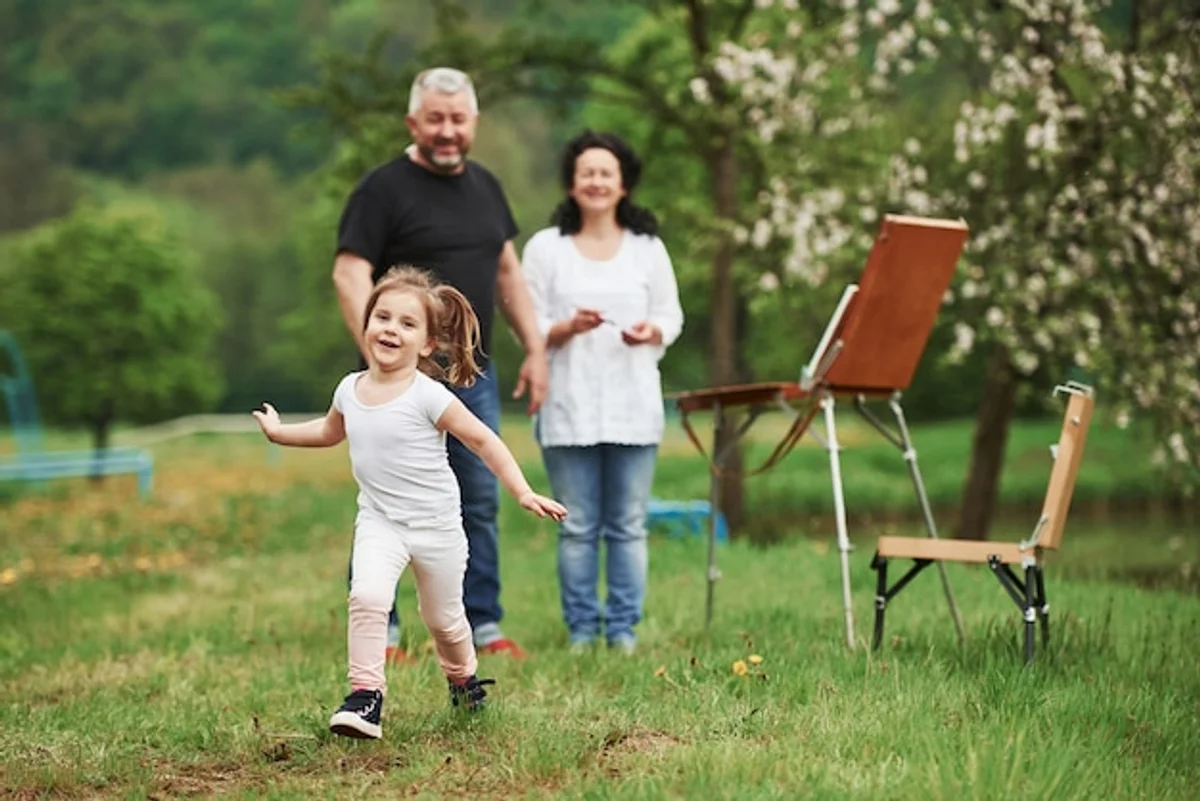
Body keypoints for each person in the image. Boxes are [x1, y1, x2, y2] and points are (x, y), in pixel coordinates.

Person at [253, 267, 566, 740]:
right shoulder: (348, 388)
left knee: (443, 620)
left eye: (406, 323)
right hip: (380, 521)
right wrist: (280, 433)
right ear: (365, 324)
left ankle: (463, 681)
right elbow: (328, 431)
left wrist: (522, 490)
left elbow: (484, 441)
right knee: (367, 596)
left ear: (427, 344)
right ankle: (365, 696)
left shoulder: (429, 396)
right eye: (382, 317)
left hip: (436, 528)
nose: (390, 329)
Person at [332, 67, 549, 661]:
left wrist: (536, 346)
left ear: (473, 123)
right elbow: (350, 273)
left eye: (458, 120)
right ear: (413, 123)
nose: (447, 131)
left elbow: (508, 272)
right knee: (384, 500)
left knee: (476, 495)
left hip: (470, 375)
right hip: (397, 383)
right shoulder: (381, 191)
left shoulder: (486, 187)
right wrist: (381, 355)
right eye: (436, 119)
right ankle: (388, 631)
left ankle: (483, 622)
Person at [522, 130, 684, 654]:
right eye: (586, 172)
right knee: (577, 526)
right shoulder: (546, 248)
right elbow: (527, 322)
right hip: (568, 406)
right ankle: (582, 631)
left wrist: (650, 331)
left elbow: (670, 315)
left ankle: (622, 630)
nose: (595, 182)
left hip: (633, 406)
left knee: (628, 525)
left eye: (605, 174)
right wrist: (566, 327)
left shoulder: (647, 249)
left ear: (623, 185)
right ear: (572, 183)